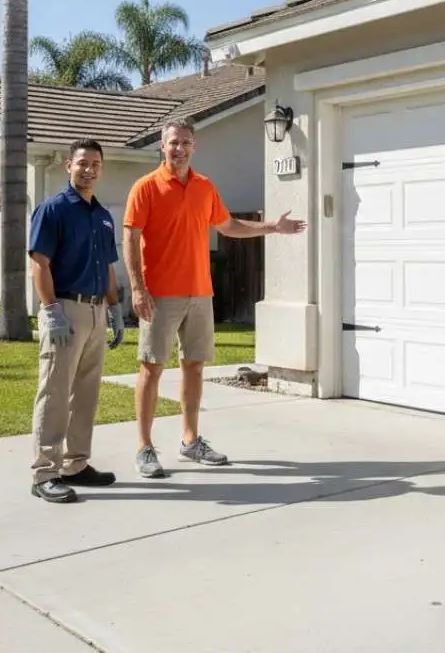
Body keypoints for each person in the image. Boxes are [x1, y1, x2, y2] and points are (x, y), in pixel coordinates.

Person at [123, 117, 306, 479]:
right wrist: (137, 288)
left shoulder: (205, 187)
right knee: (151, 367)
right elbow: (130, 238)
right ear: (163, 145)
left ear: (194, 146)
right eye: (173, 142)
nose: (179, 148)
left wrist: (271, 227)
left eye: (186, 142)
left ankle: (191, 440)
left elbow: (228, 226)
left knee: (194, 365)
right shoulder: (145, 188)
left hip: (200, 293)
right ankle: (144, 447)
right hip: (159, 294)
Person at [27, 138, 126, 504]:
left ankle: (75, 464)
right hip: (65, 309)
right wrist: (50, 310)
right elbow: (40, 262)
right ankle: (44, 472)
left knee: (86, 392)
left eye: (96, 164)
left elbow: (109, 267)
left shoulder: (102, 215)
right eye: (82, 163)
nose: (89, 169)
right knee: (54, 392)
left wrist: (114, 310)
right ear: (69, 165)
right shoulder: (52, 210)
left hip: (97, 310)